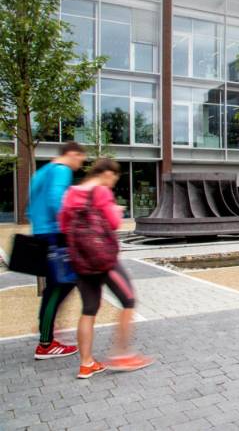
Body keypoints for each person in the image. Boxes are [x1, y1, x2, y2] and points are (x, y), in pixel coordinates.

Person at [59, 158, 153, 379]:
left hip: (81, 260)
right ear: (107, 173)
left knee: (88, 309)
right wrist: (116, 211)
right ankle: (121, 354)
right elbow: (113, 223)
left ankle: (86, 364)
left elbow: (63, 225)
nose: (114, 182)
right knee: (128, 301)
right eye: (115, 177)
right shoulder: (100, 192)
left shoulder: (71, 193)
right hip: (103, 259)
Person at [27, 141, 86, 360]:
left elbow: (30, 205)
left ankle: (47, 327)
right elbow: (56, 202)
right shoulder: (61, 171)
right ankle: (45, 342)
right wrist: (73, 228)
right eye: (80, 158)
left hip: (43, 232)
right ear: (71, 154)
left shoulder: (43, 171)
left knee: (60, 284)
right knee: (60, 284)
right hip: (55, 234)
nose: (80, 164)